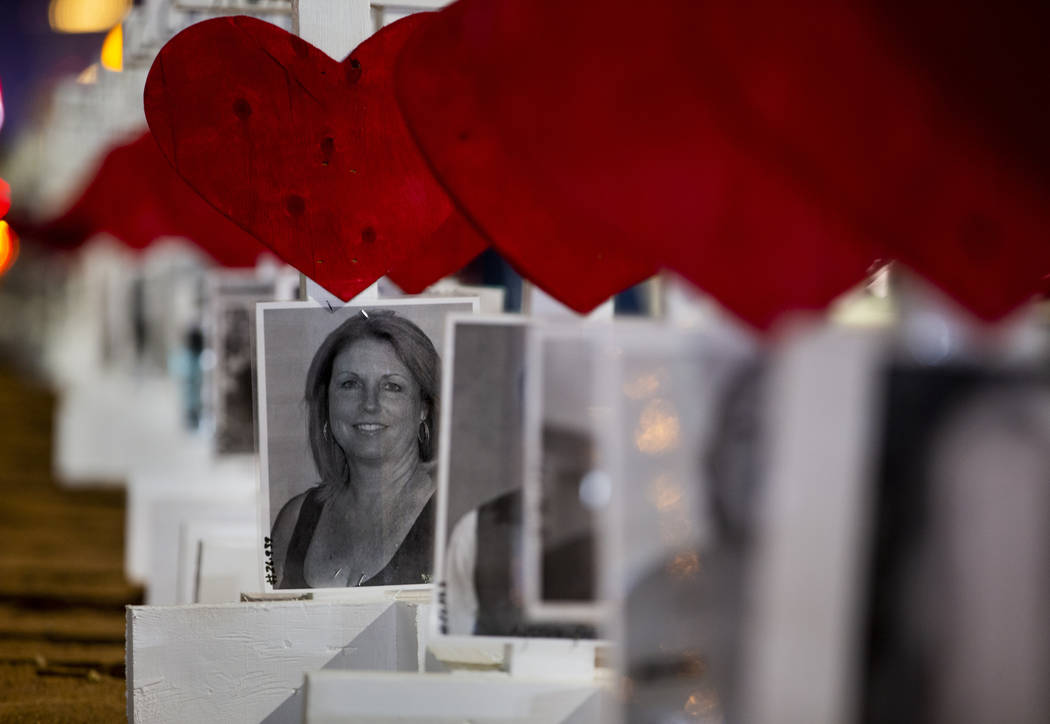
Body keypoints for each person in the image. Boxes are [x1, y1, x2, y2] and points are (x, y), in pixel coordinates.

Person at [269, 309, 439, 589]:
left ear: (423, 407)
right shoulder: (292, 520)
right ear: (327, 403)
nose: (369, 404)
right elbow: (261, 610)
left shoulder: (457, 517)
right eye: (350, 384)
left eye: (392, 387)